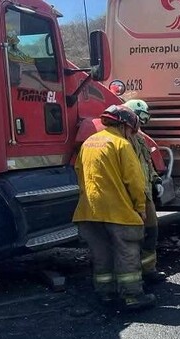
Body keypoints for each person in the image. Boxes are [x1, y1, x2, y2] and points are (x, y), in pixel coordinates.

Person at [73, 105, 155, 310]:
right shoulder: (121, 144)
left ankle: (105, 294)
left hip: (89, 211)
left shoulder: (89, 142)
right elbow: (135, 181)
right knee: (127, 253)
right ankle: (133, 296)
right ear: (126, 126)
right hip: (118, 212)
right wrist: (140, 206)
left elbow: (78, 172)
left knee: (101, 255)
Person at [123, 99, 166, 284]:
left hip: (145, 194)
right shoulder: (122, 141)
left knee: (151, 233)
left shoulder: (140, 139)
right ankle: (133, 276)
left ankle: (148, 270)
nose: (141, 124)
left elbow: (147, 165)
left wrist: (156, 181)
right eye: (140, 118)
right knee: (133, 238)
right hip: (130, 197)